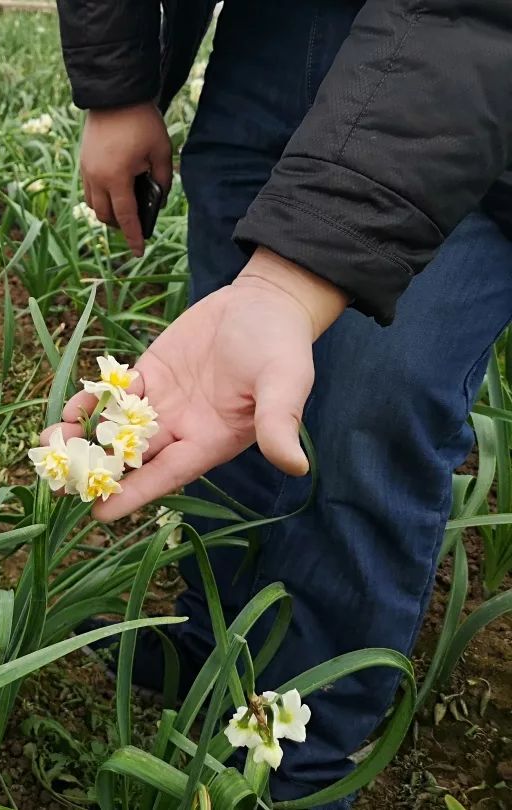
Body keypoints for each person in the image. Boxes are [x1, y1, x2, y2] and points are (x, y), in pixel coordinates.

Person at [47, 0, 512, 806]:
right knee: (231, 389)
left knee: (374, 402)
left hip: (464, 78)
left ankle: (300, 745)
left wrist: (289, 280)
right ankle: (214, 646)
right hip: (273, 35)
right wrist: (118, 87)